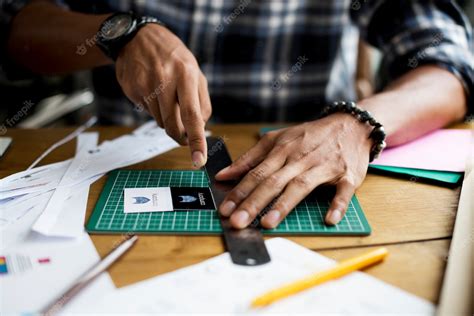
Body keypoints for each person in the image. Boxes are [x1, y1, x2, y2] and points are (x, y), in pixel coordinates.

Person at [3, 0, 473, 229]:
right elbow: (14, 26)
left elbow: (452, 65)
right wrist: (117, 34)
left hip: (309, 170)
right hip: (112, 172)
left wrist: (355, 123)